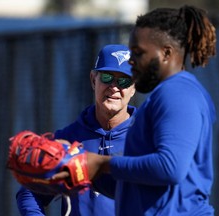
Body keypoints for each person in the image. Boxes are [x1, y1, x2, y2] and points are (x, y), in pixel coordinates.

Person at [54, 5, 217, 216]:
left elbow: (170, 167)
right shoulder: (166, 95)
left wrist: (102, 163)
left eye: (138, 53)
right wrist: (80, 171)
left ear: (166, 53)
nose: (131, 62)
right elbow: (142, 186)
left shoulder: (178, 94)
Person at [16, 44, 136, 216]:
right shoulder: (68, 139)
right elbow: (29, 191)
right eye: (107, 77)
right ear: (93, 80)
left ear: (134, 88)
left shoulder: (145, 137)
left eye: (124, 81)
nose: (114, 87)